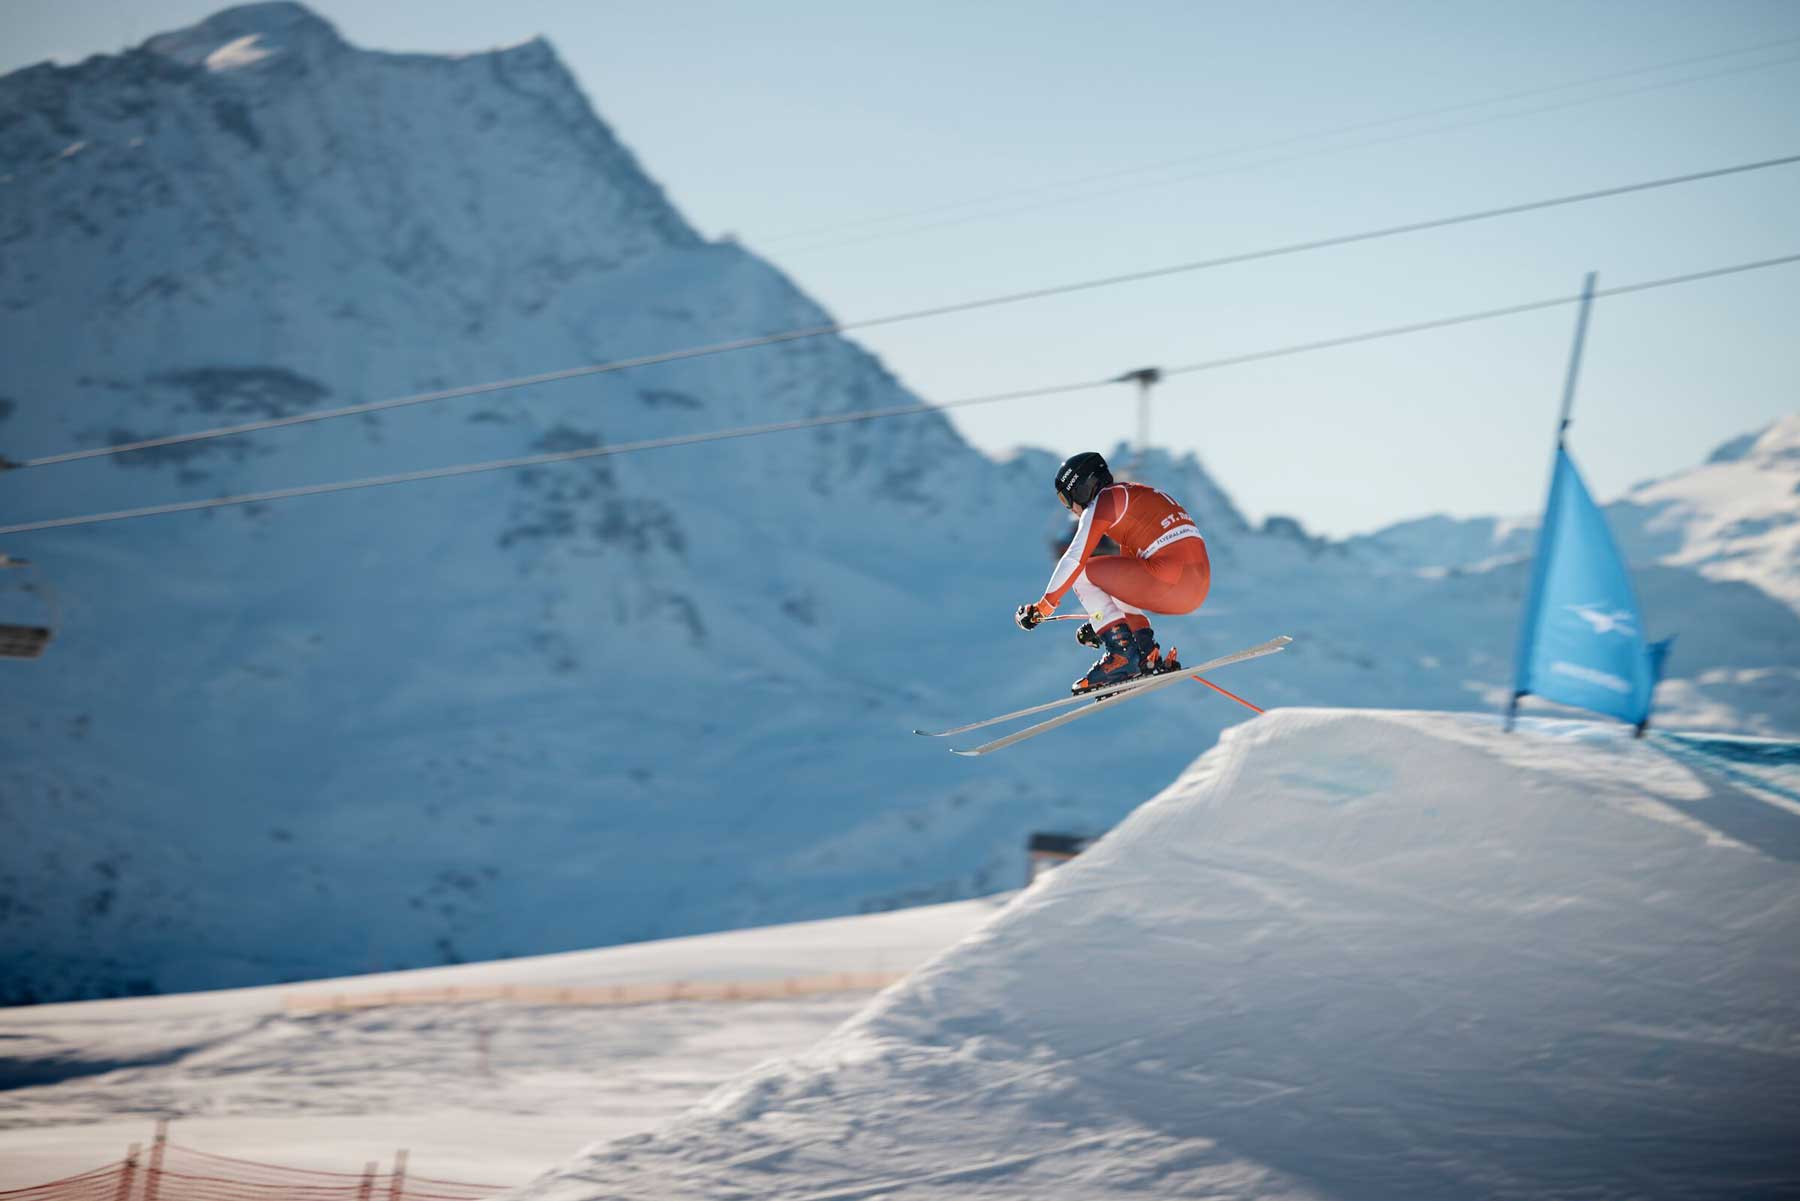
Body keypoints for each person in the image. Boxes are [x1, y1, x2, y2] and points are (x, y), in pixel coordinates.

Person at [1014, 451, 1212, 694]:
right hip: (1195, 588)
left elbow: (1075, 558)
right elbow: (1127, 588)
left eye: (1067, 500)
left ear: (1081, 488)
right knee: (1114, 579)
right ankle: (1142, 652)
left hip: (1170, 580)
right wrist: (1110, 624)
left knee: (1082, 573)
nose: (1072, 509)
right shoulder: (1133, 503)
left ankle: (1121, 657)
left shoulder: (1105, 501)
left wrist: (1043, 607)